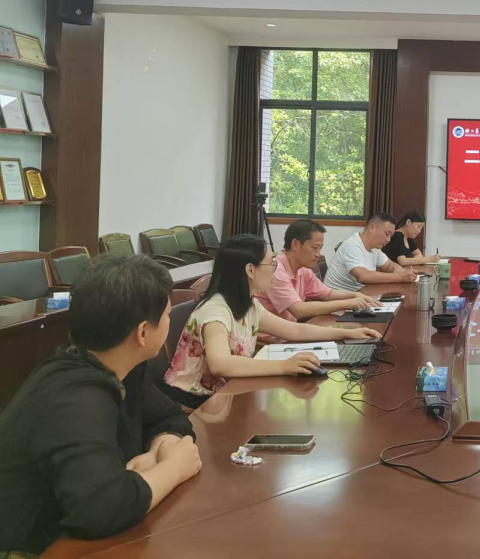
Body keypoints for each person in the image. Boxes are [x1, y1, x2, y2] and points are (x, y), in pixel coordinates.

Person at [0, 255, 201, 555]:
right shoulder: (75, 397)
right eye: (168, 315)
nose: (170, 321)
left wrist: (158, 451)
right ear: (143, 333)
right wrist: (175, 467)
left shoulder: (122, 366)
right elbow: (100, 509)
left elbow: (170, 417)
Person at [163, 234, 379, 409]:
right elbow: (221, 364)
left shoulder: (249, 305)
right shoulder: (216, 311)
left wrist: (347, 333)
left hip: (225, 391)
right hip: (195, 398)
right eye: (270, 263)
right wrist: (284, 366)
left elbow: (294, 331)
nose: (275, 269)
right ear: (250, 270)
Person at [255, 218, 377, 321]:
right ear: (295, 244)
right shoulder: (276, 270)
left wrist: (356, 295)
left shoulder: (303, 269)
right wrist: (347, 303)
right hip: (270, 338)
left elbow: (327, 294)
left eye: (320, 248)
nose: (318, 254)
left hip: (289, 331)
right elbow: (299, 310)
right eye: (314, 247)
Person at [324, 213, 417, 291]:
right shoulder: (352, 246)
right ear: (372, 227)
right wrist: (401, 277)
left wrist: (400, 271)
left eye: (390, 236)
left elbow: (388, 265)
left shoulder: (374, 248)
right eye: (386, 234)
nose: (388, 240)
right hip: (338, 303)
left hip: (359, 296)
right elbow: (363, 276)